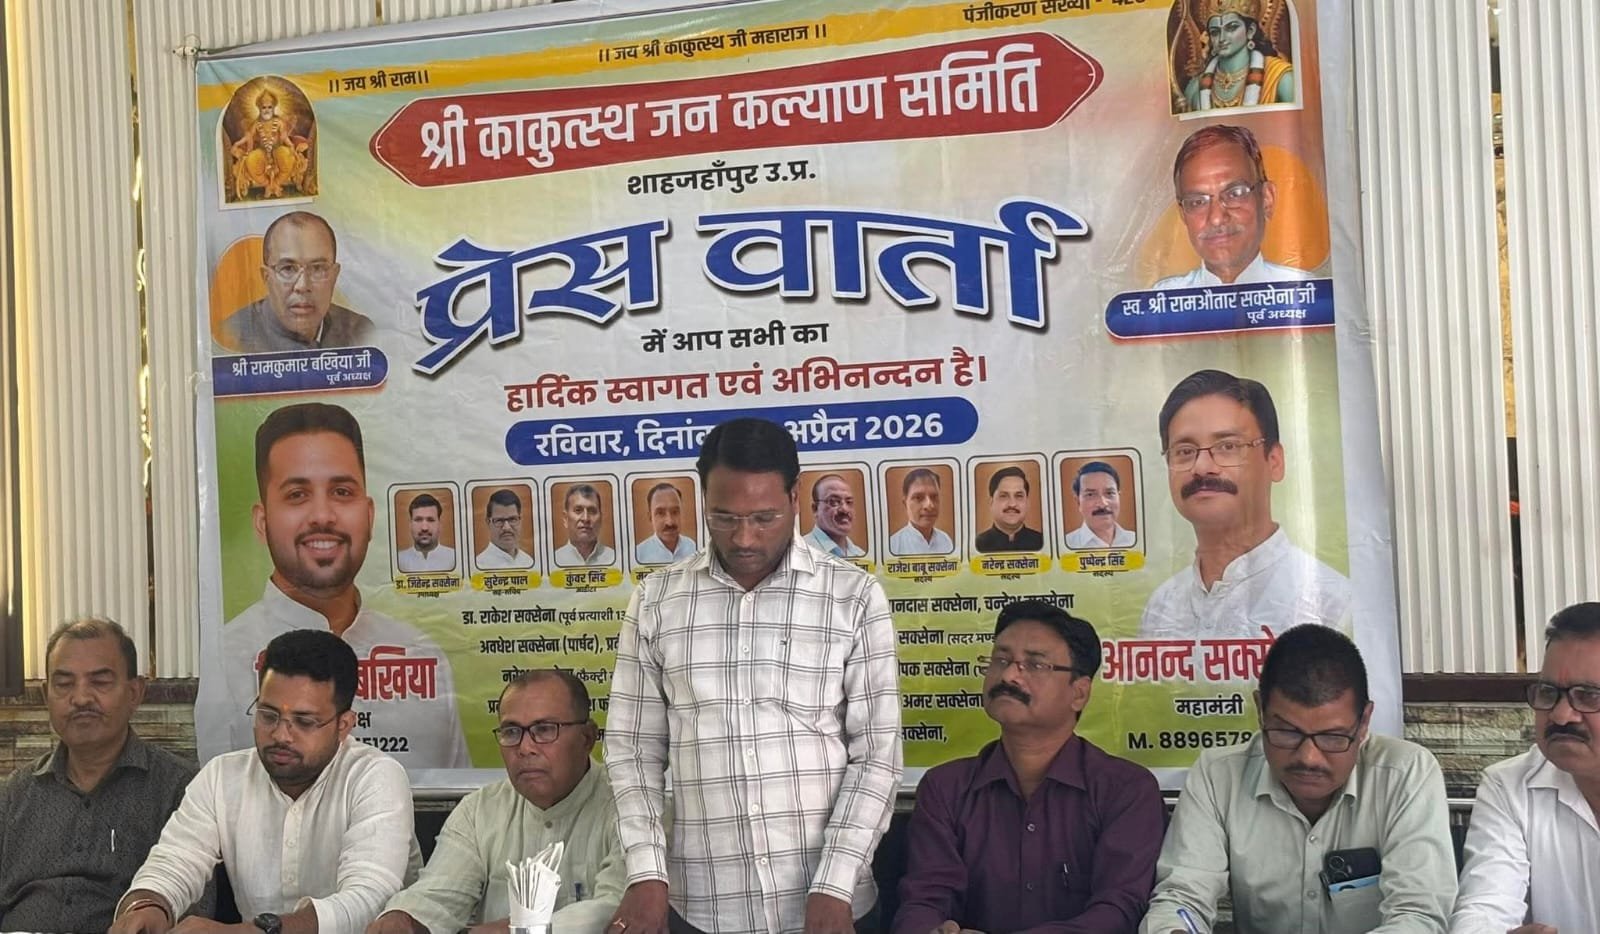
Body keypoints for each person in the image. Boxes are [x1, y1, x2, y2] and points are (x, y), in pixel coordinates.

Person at [606, 417, 902, 934]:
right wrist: (647, 872)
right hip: (703, 909)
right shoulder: (656, 601)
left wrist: (834, 884)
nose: (744, 538)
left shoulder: (853, 596)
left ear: (795, 496)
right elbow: (633, 752)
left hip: (829, 908)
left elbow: (876, 755)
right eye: (724, 518)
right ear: (703, 499)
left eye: (764, 517)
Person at [197, 402, 469, 768]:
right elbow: (221, 791)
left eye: (341, 492)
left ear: (369, 516)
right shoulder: (228, 657)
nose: (323, 516)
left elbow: (454, 793)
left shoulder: (421, 655)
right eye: (297, 495)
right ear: (262, 522)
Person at [1141, 625, 1455, 933]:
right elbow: (1182, 897)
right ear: (1260, 711)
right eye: (1287, 733)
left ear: (1364, 723)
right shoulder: (1219, 775)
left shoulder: (1404, 774)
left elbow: (1418, 915)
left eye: (1332, 737)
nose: (1308, 758)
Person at [112, 630, 418, 934]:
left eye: (304, 722)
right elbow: (175, 862)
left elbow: (369, 899)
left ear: (344, 726)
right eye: (268, 715)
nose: (281, 735)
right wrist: (149, 905)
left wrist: (255, 932)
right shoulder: (222, 777)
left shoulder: (375, 777)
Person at [895, 600, 1165, 933]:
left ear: (1079, 693)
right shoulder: (945, 788)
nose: (1009, 675)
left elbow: (1118, 912)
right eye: (1001, 660)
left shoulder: (1125, 790)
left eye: (1035, 665)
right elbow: (924, 900)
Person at [369, 670, 625, 934]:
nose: (525, 748)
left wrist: (519, 930)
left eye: (545, 729)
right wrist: (403, 917)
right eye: (512, 732)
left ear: (587, 738)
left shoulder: (627, 808)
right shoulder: (478, 811)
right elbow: (436, 896)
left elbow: (617, 907)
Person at [0, 618, 201, 933]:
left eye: (100, 682)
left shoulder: (181, 789)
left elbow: (193, 916)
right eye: (64, 683)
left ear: (134, 693)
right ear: (45, 694)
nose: (81, 698)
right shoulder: (16, 793)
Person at [1139, 369, 1350, 640]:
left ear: (1274, 461)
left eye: (1227, 447)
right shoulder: (1161, 608)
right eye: (1185, 452)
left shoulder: (1333, 603)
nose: (1201, 467)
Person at [1449, 601, 1600, 933]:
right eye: (1548, 692)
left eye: (1588, 696)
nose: (1561, 715)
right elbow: (1484, 907)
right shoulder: (1510, 786)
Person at [1151, 125, 1311, 289]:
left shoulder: (1305, 290)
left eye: (1235, 193)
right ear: (1183, 215)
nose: (1216, 218)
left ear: (1266, 198)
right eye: (1197, 202)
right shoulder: (1164, 298)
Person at [217, 211, 375, 353]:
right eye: (288, 269)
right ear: (266, 277)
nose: (302, 286)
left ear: (334, 276)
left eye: (318, 268)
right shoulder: (230, 338)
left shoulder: (360, 332)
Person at [1180, 0, 1295, 112]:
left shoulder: (1280, 78)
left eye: (1231, 28)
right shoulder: (1195, 88)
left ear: (1250, 31)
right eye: (1215, 32)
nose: (1222, 38)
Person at [1064, 461, 1137, 550]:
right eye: (1090, 495)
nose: (1102, 504)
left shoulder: (1136, 540)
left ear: (1119, 497)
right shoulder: (1066, 545)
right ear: (1078, 502)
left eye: (1109, 493)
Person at [974, 466, 1043, 553]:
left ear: (1027, 502)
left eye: (1019, 496)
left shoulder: (1043, 542)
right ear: (991, 502)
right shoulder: (977, 545)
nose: (1012, 504)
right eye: (1004, 496)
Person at [888, 468, 954, 556]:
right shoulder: (893, 546)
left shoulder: (946, 540)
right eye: (918, 497)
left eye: (934, 497)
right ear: (905, 503)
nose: (929, 505)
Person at [552, 484, 617, 567]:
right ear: (566, 519)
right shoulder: (551, 561)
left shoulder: (616, 559)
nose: (585, 518)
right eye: (578, 510)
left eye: (592, 511)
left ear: (600, 518)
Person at [805, 473, 867, 558]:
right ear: (815, 509)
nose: (845, 509)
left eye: (849, 502)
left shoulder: (860, 554)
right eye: (834, 502)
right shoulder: (800, 551)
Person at [635, 482, 697, 565]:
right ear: (650, 517)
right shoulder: (638, 554)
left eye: (675, 512)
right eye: (660, 513)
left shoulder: (693, 547)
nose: (669, 522)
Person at [477, 488, 537, 570]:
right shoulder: (479, 566)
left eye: (512, 519)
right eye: (499, 520)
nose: (506, 528)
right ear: (488, 522)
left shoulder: (528, 561)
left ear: (520, 520)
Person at [395, 493, 456, 573]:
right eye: (418, 520)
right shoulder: (398, 560)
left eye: (430, 520)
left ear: (439, 524)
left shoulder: (455, 558)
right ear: (410, 524)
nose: (424, 528)